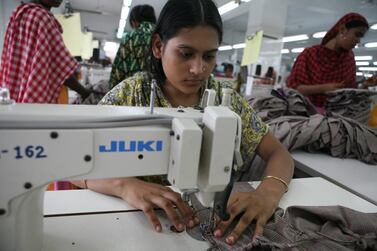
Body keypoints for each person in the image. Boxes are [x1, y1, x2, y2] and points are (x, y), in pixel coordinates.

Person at [73, 0, 294, 246]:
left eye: (209, 56)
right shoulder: (130, 95)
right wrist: (123, 185)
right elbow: (70, 159)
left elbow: (278, 153)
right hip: (131, 224)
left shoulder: (225, 98)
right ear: (158, 46)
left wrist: (268, 192)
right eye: (186, 54)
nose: (198, 69)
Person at [0, 0, 91, 103]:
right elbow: (61, 67)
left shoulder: (18, 14)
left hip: (12, 95)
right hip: (34, 101)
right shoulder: (42, 17)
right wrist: (84, 92)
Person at [287, 12, 377, 108]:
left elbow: (349, 93)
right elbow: (293, 88)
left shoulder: (349, 59)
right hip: (305, 114)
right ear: (342, 30)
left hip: (337, 116)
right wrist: (324, 88)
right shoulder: (310, 54)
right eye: (357, 34)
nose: (358, 41)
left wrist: (364, 86)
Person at [109, 4, 156, 89]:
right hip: (160, 94)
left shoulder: (129, 37)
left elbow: (118, 72)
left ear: (134, 22)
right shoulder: (164, 36)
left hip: (134, 93)